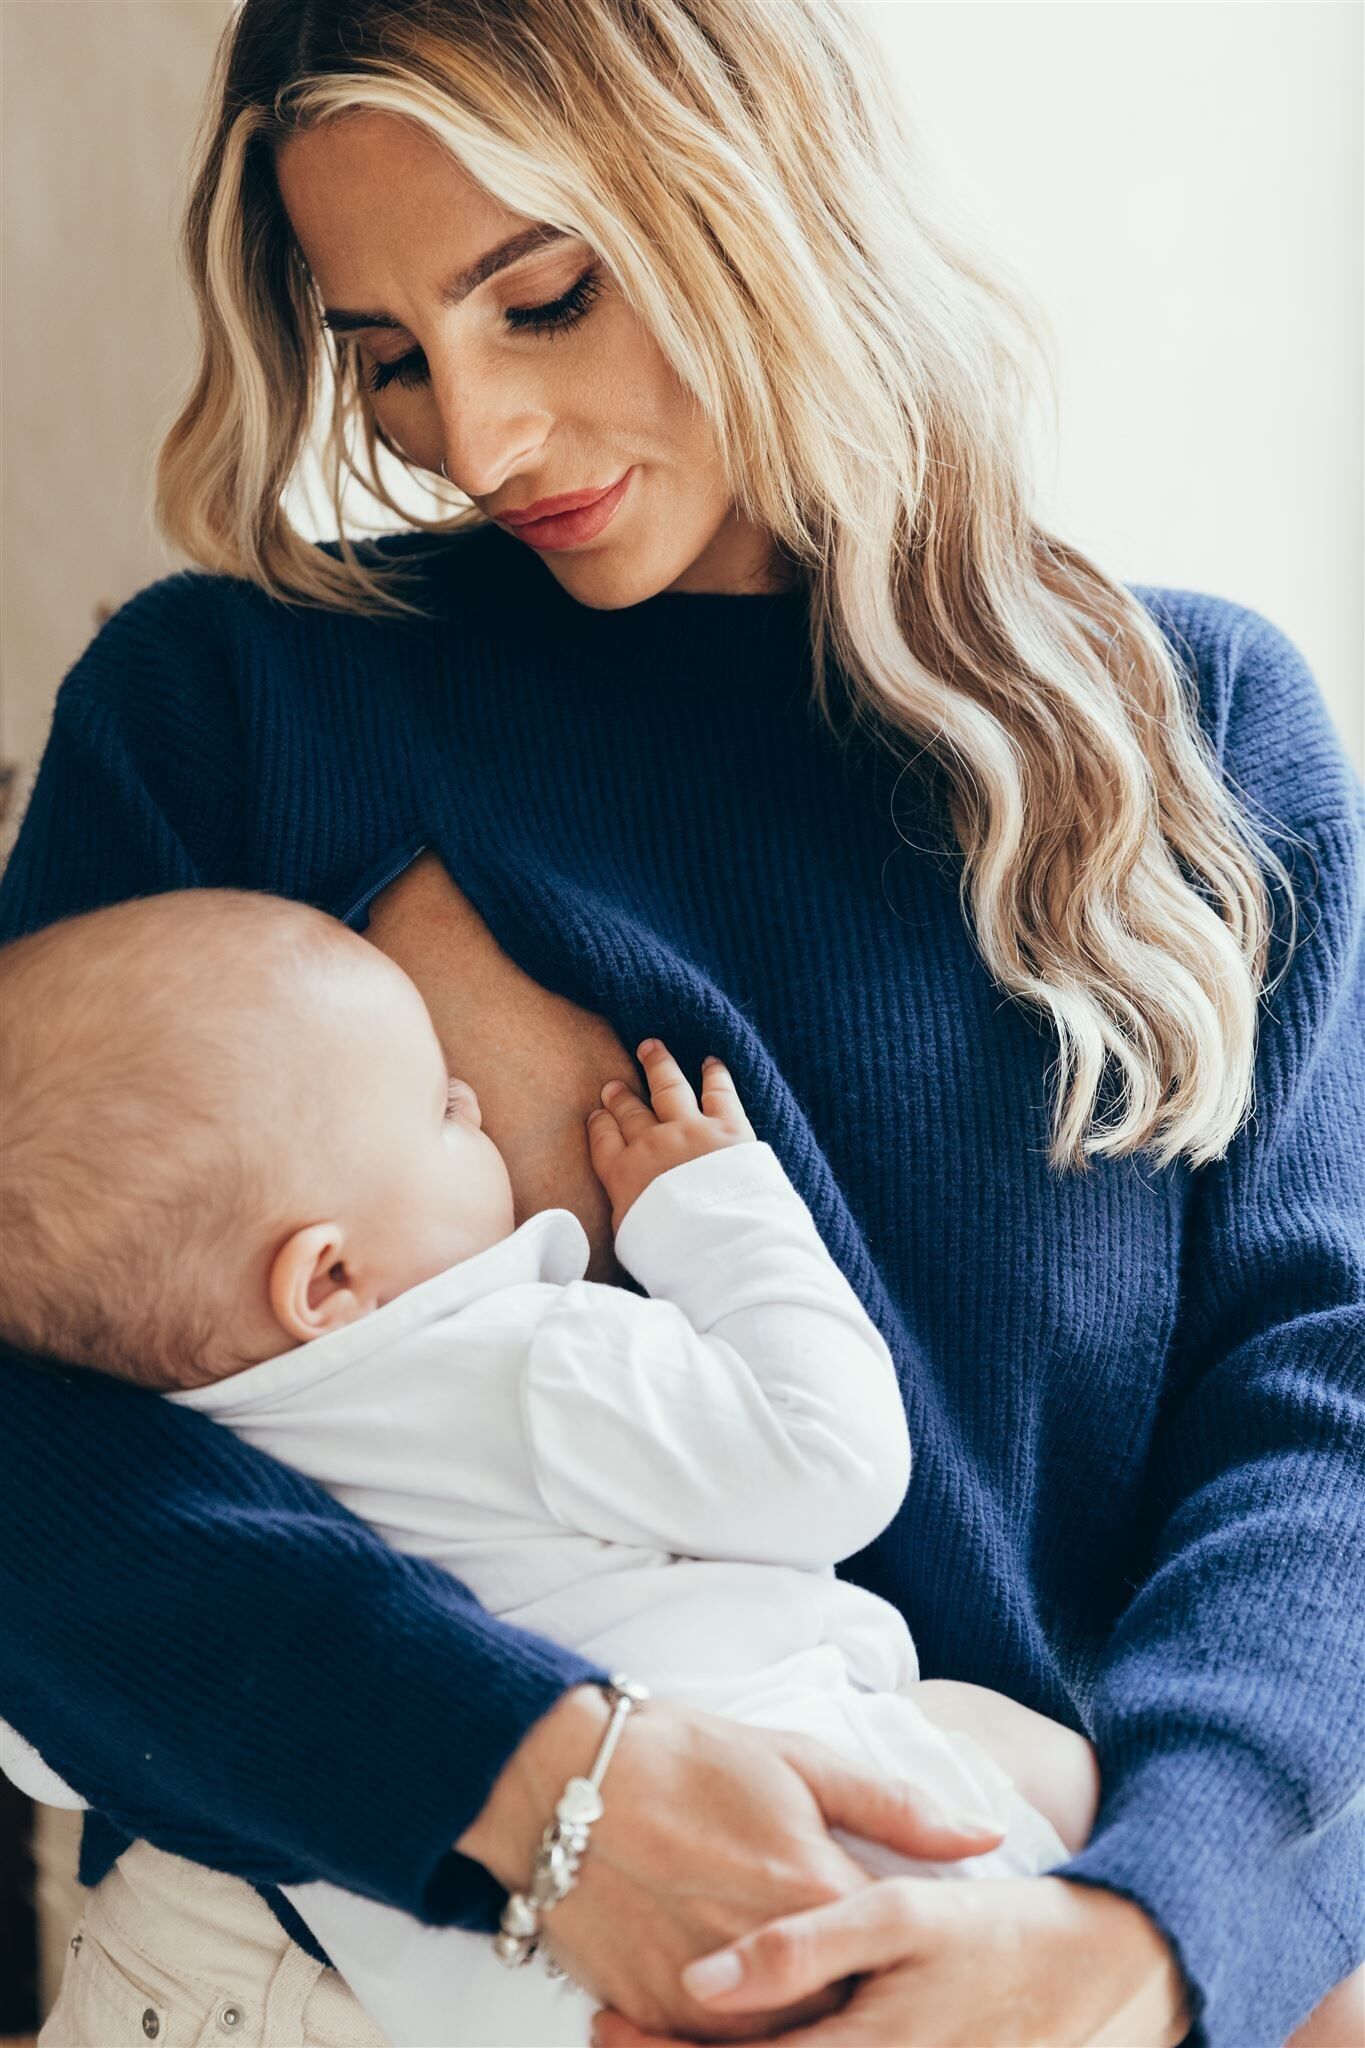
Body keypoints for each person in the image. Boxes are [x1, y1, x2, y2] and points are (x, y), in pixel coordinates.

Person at [0, 2, 1359, 2045]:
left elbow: (1317, 1420)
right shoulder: (234, 707)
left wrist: (1140, 1939)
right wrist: (534, 1788)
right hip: (347, 1976)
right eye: (384, 355)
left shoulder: (1196, 731)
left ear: (756, 200)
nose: (473, 437)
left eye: (539, 301)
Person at [1, 888, 1087, 2045]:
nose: (470, 1099)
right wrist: (715, 1208)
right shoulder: (524, 1364)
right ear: (325, 1281)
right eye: (439, 1110)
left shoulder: (171, 1477)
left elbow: (48, 1749)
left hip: (491, 1989)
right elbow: (833, 1459)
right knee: (1048, 1762)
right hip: (792, 1859)